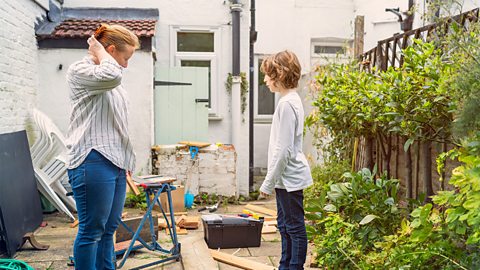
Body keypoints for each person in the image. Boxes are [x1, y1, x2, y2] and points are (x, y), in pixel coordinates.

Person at [65, 24, 139, 270]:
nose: (126, 65)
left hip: (114, 162)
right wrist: (99, 52)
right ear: (109, 50)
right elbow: (112, 75)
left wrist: (125, 162)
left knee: (109, 229)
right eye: (125, 57)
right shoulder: (82, 70)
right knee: (92, 230)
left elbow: (116, 123)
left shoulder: (108, 76)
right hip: (91, 159)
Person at [259, 50, 313, 270]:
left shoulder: (287, 104)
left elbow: (284, 150)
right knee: (284, 225)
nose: (264, 80)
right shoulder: (289, 101)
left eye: (268, 74)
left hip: (289, 178)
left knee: (294, 227)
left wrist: (267, 183)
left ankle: (293, 267)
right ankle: (285, 266)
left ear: (279, 75)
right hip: (285, 179)